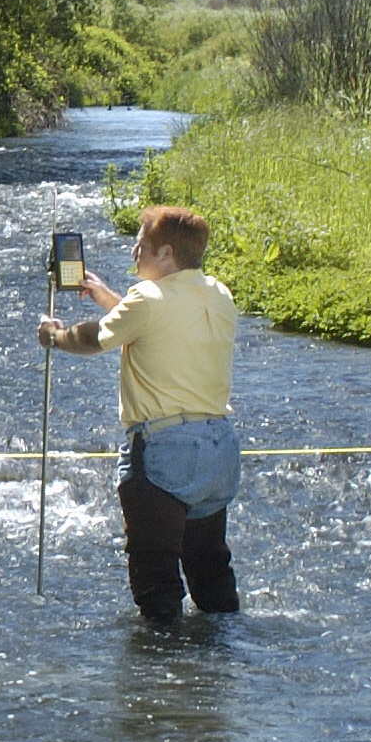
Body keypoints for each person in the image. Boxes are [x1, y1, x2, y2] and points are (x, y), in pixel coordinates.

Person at [36, 206, 240, 621]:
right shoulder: (219, 293)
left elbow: (95, 340)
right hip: (219, 450)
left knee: (155, 578)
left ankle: (156, 671)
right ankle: (220, 667)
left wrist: (55, 336)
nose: (134, 251)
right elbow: (160, 324)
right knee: (210, 570)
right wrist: (109, 298)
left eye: (142, 245)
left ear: (166, 253)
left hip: (165, 451)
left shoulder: (146, 300)